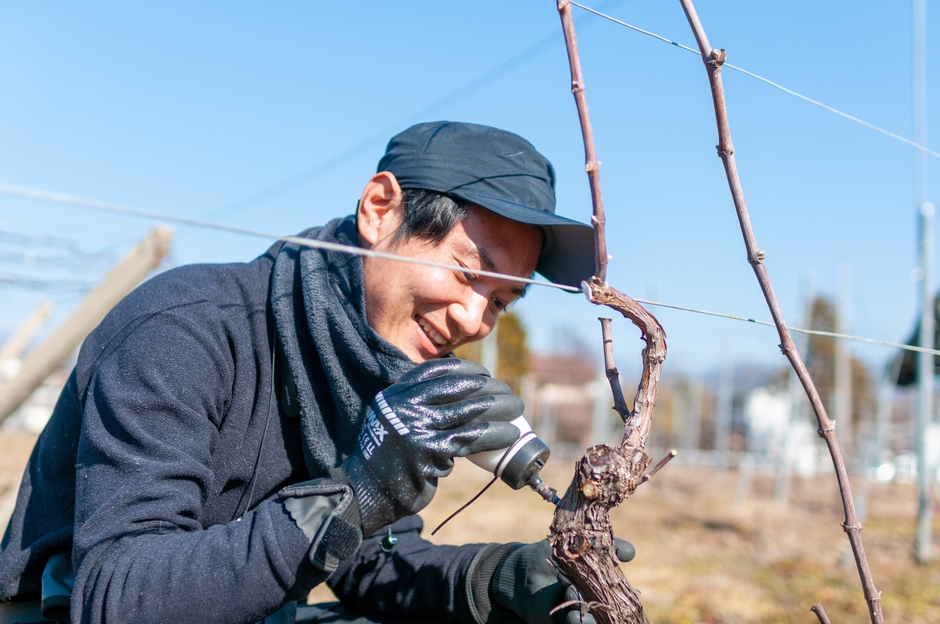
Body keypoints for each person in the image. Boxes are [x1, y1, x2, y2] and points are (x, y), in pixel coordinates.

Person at [0, 121, 633, 624]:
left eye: (499, 302)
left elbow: (370, 565)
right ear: (380, 209)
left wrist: (498, 579)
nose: (474, 320)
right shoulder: (188, 330)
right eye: (468, 273)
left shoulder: (374, 361)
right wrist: (351, 497)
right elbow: (119, 597)